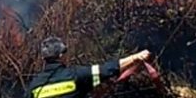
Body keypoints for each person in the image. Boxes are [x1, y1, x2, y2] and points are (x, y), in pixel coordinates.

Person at [24, 37, 152, 98]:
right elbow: (106, 70)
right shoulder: (75, 75)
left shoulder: (34, 87)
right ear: (61, 55)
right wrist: (135, 57)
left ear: (43, 58)